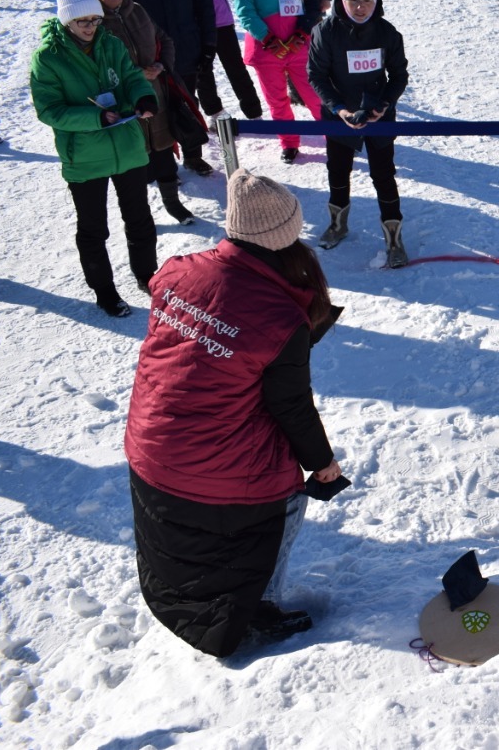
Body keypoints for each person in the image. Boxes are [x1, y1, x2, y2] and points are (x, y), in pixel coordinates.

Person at [125, 168, 346, 657]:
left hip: (150, 443)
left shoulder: (178, 271)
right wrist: (322, 463)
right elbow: (289, 404)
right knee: (288, 495)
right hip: (213, 469)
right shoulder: (278, 315)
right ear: (289, 233)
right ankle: (258, 607)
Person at [29, 0, 159, 317]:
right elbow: (49, 110)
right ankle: (104, 291)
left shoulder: (110, 43)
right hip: (85, 156)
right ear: (66, 21)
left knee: (139, 218)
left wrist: (143, 96)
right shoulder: (48, 58)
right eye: (82, 21)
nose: (90, 27)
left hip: (127, 147)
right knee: (93, 228)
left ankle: (148, 276)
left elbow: (131, 77)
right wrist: (95, 117)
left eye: (94, 19)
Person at [307, 0, 410, 267]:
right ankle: (338, 225)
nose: (360, 8)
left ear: (375, 1)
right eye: (354, 1)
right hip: (340, 114)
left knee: (384, 175)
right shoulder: (325, 31)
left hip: (379, 115)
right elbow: (316, 75)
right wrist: (339, 109)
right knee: (338, 172)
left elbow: (399, 76)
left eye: (367, 1)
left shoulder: (388, 32)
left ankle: (394, 238)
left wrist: (384, 105)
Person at [87, 0, 195, 226]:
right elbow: (98, 64)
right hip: (125, 100)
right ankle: (141, 214)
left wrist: (161, 65)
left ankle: (174, 204)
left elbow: (165, 40)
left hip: (154, 93)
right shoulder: (94, 23)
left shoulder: (136, 10)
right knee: (136, 163)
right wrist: (136, 73)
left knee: (163, 149)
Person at [115, 0, 217, 176]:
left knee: (186, 101)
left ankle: (193, 155)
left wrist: (209, 44)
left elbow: (203, 1)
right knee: (150, 105)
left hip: (186, 44)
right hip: (147, 48)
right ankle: (157, 162)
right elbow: (117, 8)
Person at [233, 0, 321, 164]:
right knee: (277, 99)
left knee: (314, 94)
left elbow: (311, 3)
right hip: (267, 48)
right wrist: (269, 39)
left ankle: (334, 135)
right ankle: (289, 142)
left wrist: (302, 33)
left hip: (299, 43)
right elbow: (245, 11)